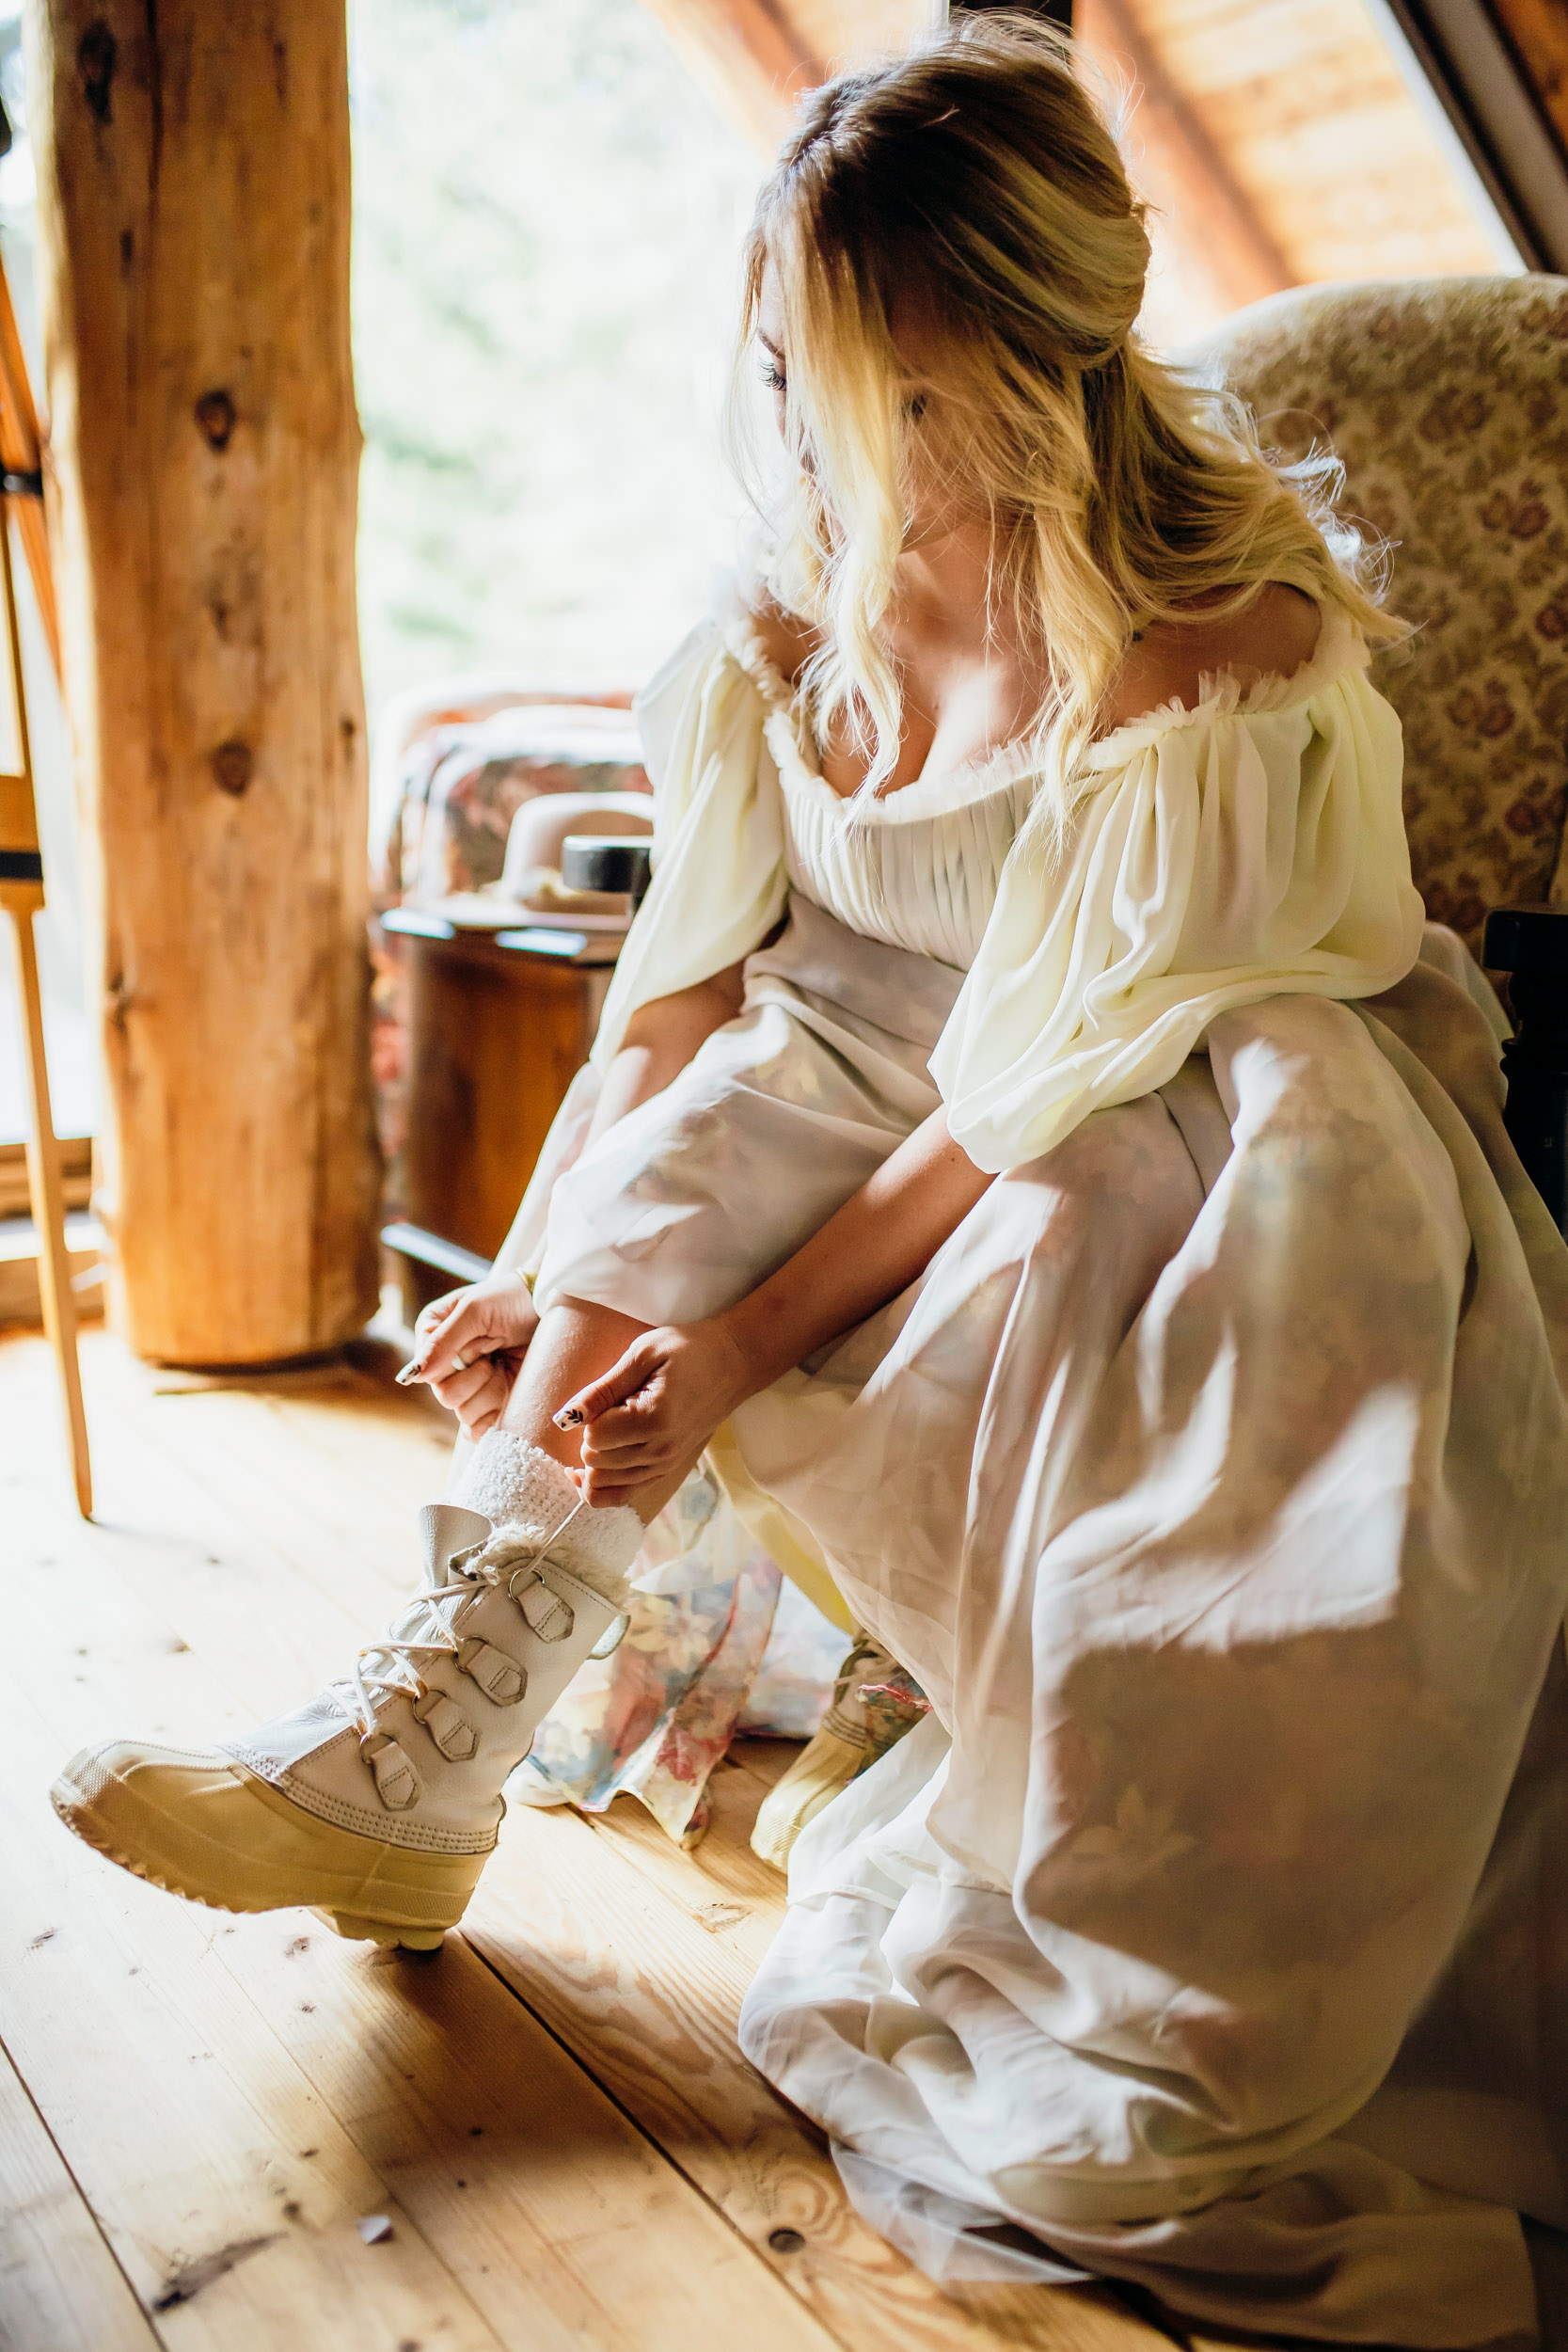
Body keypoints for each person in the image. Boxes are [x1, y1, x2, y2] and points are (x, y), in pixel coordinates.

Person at [53, 17, 1568, 2341]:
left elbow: (1039, 1076)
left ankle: (1084, 1856)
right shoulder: (786, 601)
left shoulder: (1204, 639)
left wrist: (733, 1342)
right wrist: (560, 1254)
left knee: (1083, 1226)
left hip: (1179, 1064)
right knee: (706, 1117)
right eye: (783, 366)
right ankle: (433, 1740)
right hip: (885, 1051)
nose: (807, 432)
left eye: (863, 386)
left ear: (1017, 359)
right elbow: (681, 985)